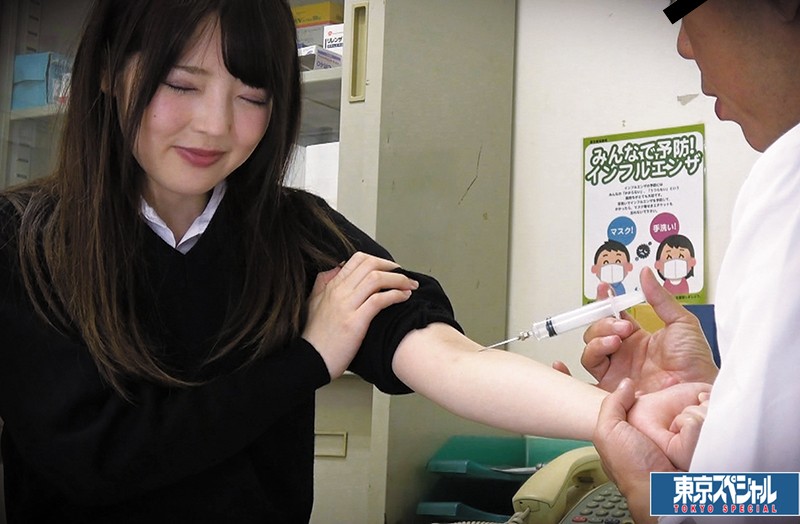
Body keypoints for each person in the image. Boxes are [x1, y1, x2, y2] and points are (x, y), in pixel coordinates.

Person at [0, 0, 708, 522]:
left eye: (252, 96)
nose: (215, 125)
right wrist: (306, 360)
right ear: (108, 71)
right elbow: (96, 460)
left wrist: (621, 413)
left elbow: (447, 359)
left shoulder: (297, 234)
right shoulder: (25, 241)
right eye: (181, 85)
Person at [583, 1, 800, 521]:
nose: (683, 44)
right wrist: (725, 397)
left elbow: (747, 510)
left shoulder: (791, 179)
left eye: (682, 7)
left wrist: (655, 494)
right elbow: (788, 494)